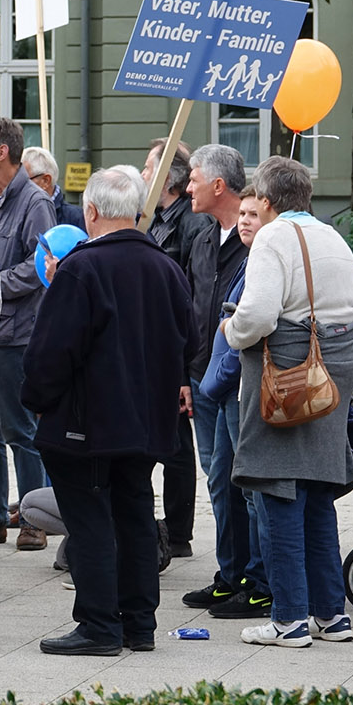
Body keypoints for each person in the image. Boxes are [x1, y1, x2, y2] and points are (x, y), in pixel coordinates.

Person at [22, 165, 198, 656]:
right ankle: (139, 623)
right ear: (138, 212)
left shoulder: (82, 268)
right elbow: (193, 340)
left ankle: (100, 625)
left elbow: (49, 354)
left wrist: (37, 402)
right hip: (146, 421)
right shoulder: (165, 267)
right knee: (136, 514)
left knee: (92, 520)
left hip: (87, 423)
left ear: (91, 212)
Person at [223, 156, 353, 648]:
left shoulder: (273, 237)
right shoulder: (332, 236)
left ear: (265, 201)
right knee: (318, 495)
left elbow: (258, 314)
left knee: (277, 491)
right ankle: (331, 615)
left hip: (285, 377)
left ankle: (288, 620)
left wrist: (230, 330)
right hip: (332, 377)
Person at [180, 144, 260, 616]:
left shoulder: (255, 242)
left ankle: (253, 576)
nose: (187, 186)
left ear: (217, 184)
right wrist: (186, 375)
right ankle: (230, 574)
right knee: (217, 480)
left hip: (237, 381)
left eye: (193, 178)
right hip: (204, 379)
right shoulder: (203, 235)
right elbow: (195, 310)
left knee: (242, 482)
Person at [0, 117, 55, 549]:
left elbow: (40, 266)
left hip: (16, 335)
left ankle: (34, 519)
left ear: (2, 152)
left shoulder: (34, 201)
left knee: (20, 430)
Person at [141, 138, 202, 558]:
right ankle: (153, 524)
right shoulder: (155, 218)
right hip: (151, 345)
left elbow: (193, 298)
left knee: (177, 447)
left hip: (173, 350)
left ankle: (178, 533)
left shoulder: (192, 225)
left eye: (149, 168)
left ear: (170, 180)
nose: (143, 175)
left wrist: (184, 370)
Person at [22, 146, 85, 230]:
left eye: (24, 179)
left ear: (45, 181)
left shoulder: (77, 219)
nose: (18, 184)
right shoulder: (13, 212)